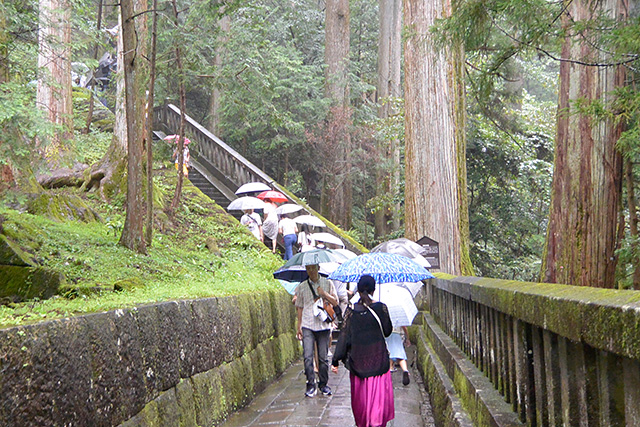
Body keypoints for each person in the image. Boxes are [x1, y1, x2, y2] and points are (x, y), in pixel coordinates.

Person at [331, 275, 394, 427]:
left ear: (358, 290)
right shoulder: (381, 308)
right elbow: (387, 331)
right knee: (378, 410)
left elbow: (344, 337)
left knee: (362, 409)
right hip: (379, 365)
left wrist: (335, 360)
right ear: (373, 289)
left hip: (359, 367)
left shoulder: (351, 312)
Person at [295, 263, 339, 398]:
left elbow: (336, 302)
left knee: (323, 358)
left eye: (313, 268)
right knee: (308, 356)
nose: (311, 271)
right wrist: (299, 326)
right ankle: (310, 384)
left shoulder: (328, 283)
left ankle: (323, 384)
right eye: (308, 268)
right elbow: (299, 307)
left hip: (323, 326)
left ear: (318, 268)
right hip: (308, 324)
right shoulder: (302, 286)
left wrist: (323, 294)